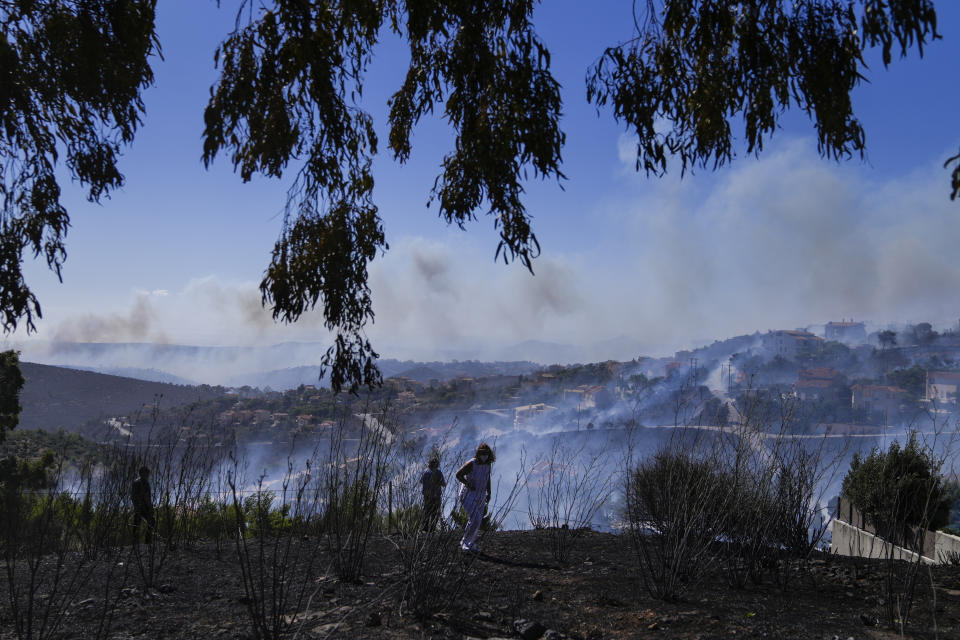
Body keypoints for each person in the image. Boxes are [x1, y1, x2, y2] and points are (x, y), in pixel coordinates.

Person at [455, 442, 494, 552]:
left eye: (486, 454)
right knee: (475, 519)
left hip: (481, 495)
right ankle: (465, 543)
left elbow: (488, 478)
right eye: (483, 454)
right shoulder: (472, 463)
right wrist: (468, 484)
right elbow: (458, 474)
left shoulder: (487, 464)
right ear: (478, 453)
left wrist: (489, 492)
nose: (485, 456)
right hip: (468, 494)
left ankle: (469, 542)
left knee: (477, 520)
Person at [420, 456, 447, 532]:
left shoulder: (425, 472)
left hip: (426, 495)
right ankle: (431, 529)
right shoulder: (438, 472)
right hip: (436, 496)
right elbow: (443, 483)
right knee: (435, 513)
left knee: (426, 511)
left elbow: (421, 481)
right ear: (436, 464)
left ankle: (424, 528)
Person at [131, 465, 155, 544]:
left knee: (136, 524)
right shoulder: (145, 483)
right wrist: (150, 507)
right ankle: (147, 542)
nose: (148, 475)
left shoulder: (135, 482)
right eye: (147, 473)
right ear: (143, 473)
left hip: (137, 507)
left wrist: (135, 506)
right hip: (144, 507)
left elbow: (132, 496)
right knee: (151, 521)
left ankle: (135, 542)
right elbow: (146, 497)